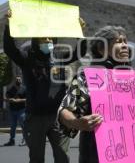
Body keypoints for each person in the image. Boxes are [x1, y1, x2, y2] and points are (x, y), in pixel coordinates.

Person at [3, 10, 87, 163]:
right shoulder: (27, 58)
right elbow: (10, 50)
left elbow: (79, 53)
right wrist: (9, 27)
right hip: (35, 118)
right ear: (36, 41)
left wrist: (80, 33)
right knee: (37, 158)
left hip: (58, 118)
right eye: (43, 38)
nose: (48, 41)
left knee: (63, 157)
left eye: (50, 38)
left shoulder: (59, 58)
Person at [58, 26, 130, 163]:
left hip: (129, 153)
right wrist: (77, 122)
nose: (125, 46)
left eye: (125, 41)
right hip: (96, 155)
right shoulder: (87, 77)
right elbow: (64, 110)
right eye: (119, 41)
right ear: (101, 49)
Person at [3, 76, 26, 146]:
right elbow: (5, 97)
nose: (18, 80)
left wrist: (19, 100)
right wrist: (9, 99)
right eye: (17, 79)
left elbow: (28, 99)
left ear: (21, 80)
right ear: (14, 81)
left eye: (19, 79)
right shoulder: (11, 89)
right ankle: (11, 140)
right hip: (12, 110)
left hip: (21, 110)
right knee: (13, 126)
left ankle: (25, 140)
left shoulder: (24, 89)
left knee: (23, 125)